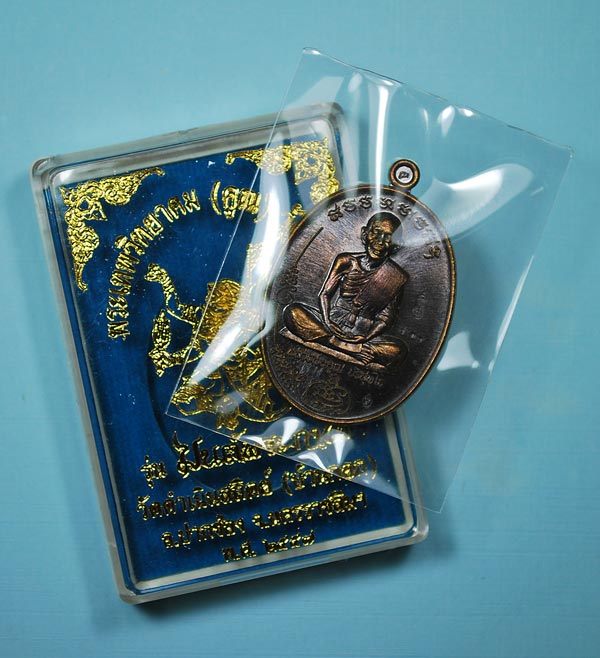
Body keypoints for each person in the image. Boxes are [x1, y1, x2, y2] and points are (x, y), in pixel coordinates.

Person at [283, 211, 408, 367]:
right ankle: (345, 347)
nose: (380, 242)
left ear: (397, 244)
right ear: (365, 234)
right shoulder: (347, 261)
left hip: (363, 332)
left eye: (388, 237)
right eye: (376, 233)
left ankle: (333, 342)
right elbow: (324, 294)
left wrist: (366, 337)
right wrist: (327, 321)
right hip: (331, 322)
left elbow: (386, 318)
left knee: (398, 351)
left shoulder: (396, 276)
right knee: (293, 313)